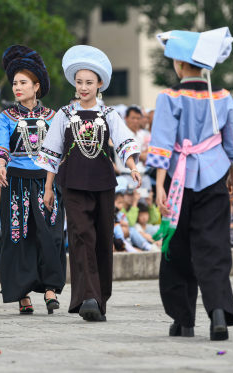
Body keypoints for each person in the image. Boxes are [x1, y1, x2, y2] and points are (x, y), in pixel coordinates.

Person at [146, 27, 233, 340]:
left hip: (178, 182)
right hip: (215, 178)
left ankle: (183, 320)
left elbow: (162, 144)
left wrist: (159, 186)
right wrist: (232, 177)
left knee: (177, 248)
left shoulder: (169, 97)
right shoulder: (223, 97)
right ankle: (218, 313)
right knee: (214, 248)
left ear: (178, 65)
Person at [38, 45, 140, 322]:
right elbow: (51, 153)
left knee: (103, 240)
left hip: (104, 184)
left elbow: (124, 142)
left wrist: (132, 167)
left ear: (99, 85)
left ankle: (99, 298)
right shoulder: (64, 114)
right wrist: (48, 188)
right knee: (82, 237)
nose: (83, 88)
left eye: (89, 83)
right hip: (72, 184)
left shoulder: (108, 114)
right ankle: (88, 298)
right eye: (79, 82)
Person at [0, 45, 65, 314]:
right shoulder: (5, 117)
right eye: (14, 83)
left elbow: (59, 151)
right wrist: (1, 165)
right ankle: (22, 294)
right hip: (16, 183)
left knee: (52, 236)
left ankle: (49, 289)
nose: (17, 88)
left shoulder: (53, 117)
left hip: (46, 182)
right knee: (18, 237)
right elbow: (0, 146)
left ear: (36, 86)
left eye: (23, 83)